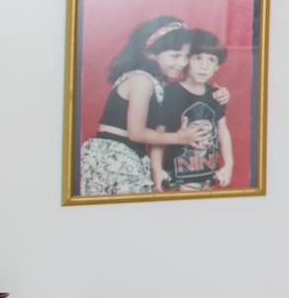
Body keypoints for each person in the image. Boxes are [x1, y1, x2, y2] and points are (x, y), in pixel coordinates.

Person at [77, 16, 206, 197]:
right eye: (174, 56)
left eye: (186, 56)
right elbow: (136, 133)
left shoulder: (157, 83)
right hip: (113, 158)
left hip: (129, 155)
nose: (182, 63)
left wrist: (218, 92)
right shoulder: (141, 81)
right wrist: (180, 137)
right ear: (150, 53)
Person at [154, 29, 234, 191]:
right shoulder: (170, 94)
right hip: (178, 178)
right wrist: (157, 169)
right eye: (198, 58)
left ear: (217, 66)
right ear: (186, 60)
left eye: (211, 60)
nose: (204, 66)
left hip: (209, 177)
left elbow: (223, 131)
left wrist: (229, 164)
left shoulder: (216, 95)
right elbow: (158, 136)